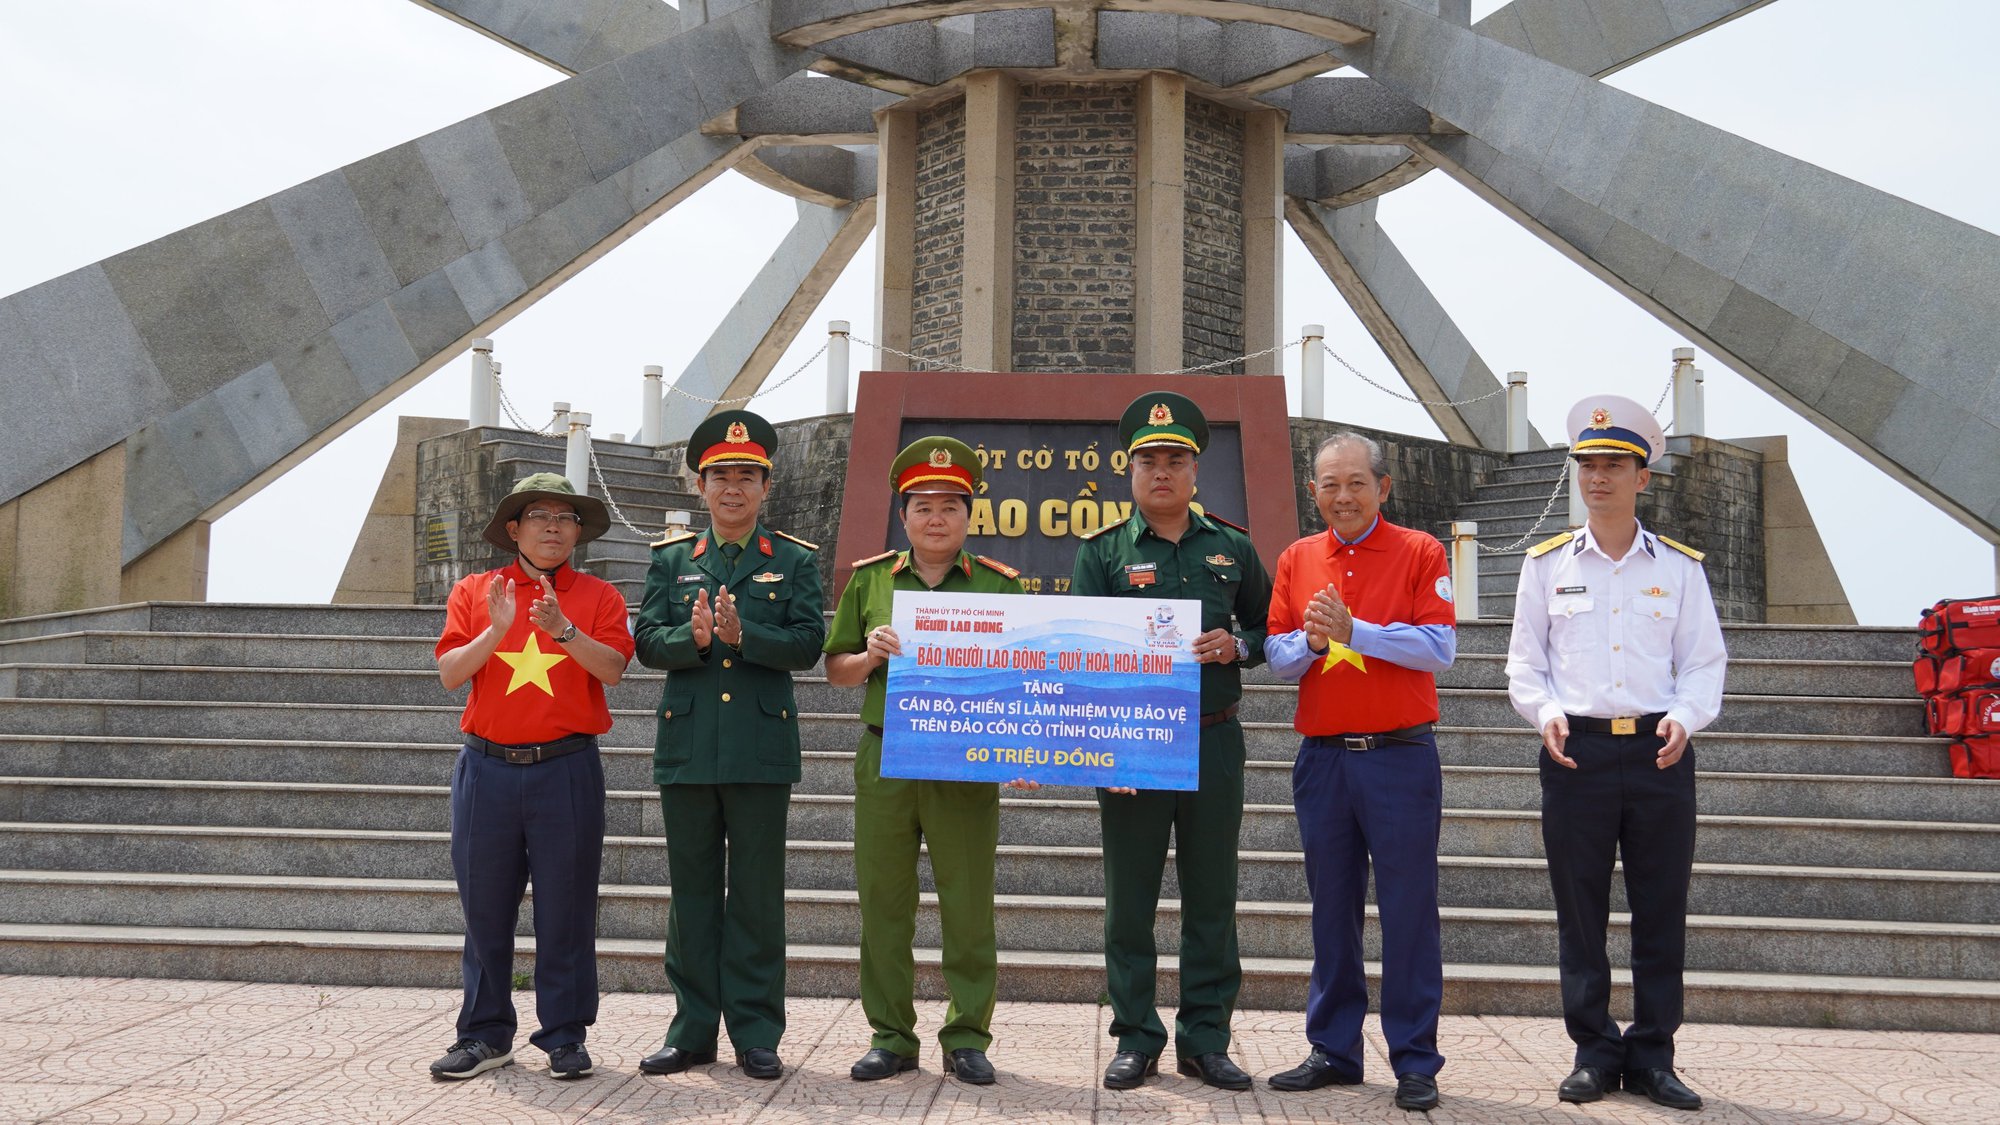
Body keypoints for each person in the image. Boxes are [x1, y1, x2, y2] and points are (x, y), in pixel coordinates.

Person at [1506, 395, 1726, 1112]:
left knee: (1661, 909)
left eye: (1614, 465)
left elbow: (1703, 663)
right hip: (1578, 755)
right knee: (1581, 911)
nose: (1597, 477)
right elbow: (1523, 664)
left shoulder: (1680, 569)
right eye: (1588, 465)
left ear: (1644, 478)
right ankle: (1594, 1050)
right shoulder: (1546, 566)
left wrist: (1687, 718)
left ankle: (1655, 1053)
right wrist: (1543, 713)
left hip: (1661, 753)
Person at [1070, 391, 1272, 1092]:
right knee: (1130, 901)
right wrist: (1104, 748)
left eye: (1175, 460)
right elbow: (1082, 658)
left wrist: (1236, 645)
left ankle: (1205, 1038)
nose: (1162, 471)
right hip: (1132, 749)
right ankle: (1134, 1036)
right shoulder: (1101, 555)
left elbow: (1266, 631)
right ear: (1129, 472)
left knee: (1211, 898)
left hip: (1214, 742)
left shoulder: (1232, 547)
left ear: (1195, 472)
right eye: (1148, 460)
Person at [823, 436, 1036, 1086]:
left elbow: (1026, 673)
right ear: (903, 514)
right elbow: (836, 669)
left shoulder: (1002, 586)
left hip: (966, 761)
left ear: (970, 515)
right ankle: (891, 1035)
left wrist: (1025, 741)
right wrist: (872, 657)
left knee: (968, 903)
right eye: (922, 505)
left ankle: (967, 1034)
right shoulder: (871, 579)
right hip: (887, 754)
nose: (936, 517)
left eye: (950, 505)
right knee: (884, 903)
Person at [1263, 433, 1455, 1112]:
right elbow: (1277, 653)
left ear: (1384, 487)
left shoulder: (1420, 551)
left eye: (1355, 483)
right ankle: (1334, 1047)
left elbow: (1440, 646)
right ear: (1311, 491)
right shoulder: (1297, 557)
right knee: (1331, 908)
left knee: (1408, 910)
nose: (1342, 496)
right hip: (1323, 759)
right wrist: (1313, 641)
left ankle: (1414, 1057)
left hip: (1400, 755)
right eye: (1328, 484)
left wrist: (1354, 631)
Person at [634, 410, 826, 1081]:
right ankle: (690, 1029)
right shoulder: (672, 560)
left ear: (766, 486)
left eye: (747, 475)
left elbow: (809, 644)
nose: (733, 488)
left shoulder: (795, 560)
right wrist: (697, 642)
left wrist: (747, 640)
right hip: (687, 747)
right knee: (690, 896)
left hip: (758, 749)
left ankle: (755, 1029)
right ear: (700, 484)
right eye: (721, 476)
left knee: (754, 895)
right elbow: (645, 642)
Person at [429, 473, 634, 1082]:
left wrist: (562, 631)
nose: (553, 527)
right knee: (484, 907)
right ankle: (484, 1033)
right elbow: (448, 673)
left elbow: (616, 669)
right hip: (487, 768)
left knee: (567, 907)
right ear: (513, 529)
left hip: (566, 767)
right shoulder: (475, 590)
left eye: (565, 517)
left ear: (579, 531)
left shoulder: (599, 596)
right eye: (538, 516)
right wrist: (496, 630)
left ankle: (565, 1035)